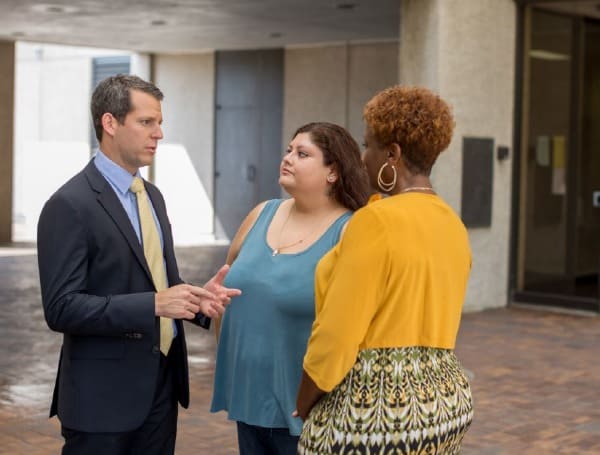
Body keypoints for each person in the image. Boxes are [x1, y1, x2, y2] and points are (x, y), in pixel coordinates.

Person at [37, 74, 240, 455]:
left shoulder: (152, 197)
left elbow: (159, 279)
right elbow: (61, 307)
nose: (159, 133)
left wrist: (198, 301)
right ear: (109, 123)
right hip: (101, 402)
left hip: (161, 389)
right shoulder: (69, 205)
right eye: (147, 122)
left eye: (160, 122)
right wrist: (153, 304)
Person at [296, 86, 474, 454]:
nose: (362, 159)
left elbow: (337, 334)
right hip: (442, 406)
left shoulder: (374, 222)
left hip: (380, 411)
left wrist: (304, 402)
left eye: (368, 145)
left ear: (392, 153)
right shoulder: (452, 225)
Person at [210, 122, 370, 454]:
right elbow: (223, 289)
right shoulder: (261, 214)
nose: (288, 159)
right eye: (288, 150)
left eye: (303, 153)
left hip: (307, 415)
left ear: (333, 172)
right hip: (248, 403)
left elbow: (353, 326)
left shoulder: (351, 230)